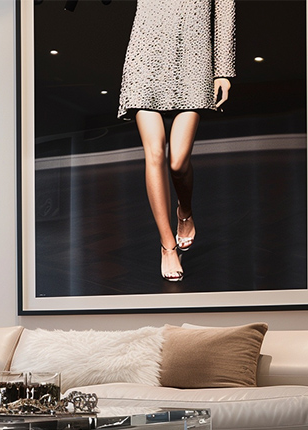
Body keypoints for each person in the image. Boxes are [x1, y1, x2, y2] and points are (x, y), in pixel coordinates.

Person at [117, 0, 235, 282]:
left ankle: (185, 211)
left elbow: (225, 13)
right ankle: (167, 245)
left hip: (193, 58)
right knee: (154, 153)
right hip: (145, 55)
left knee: (178, 161)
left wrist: (223, 71)